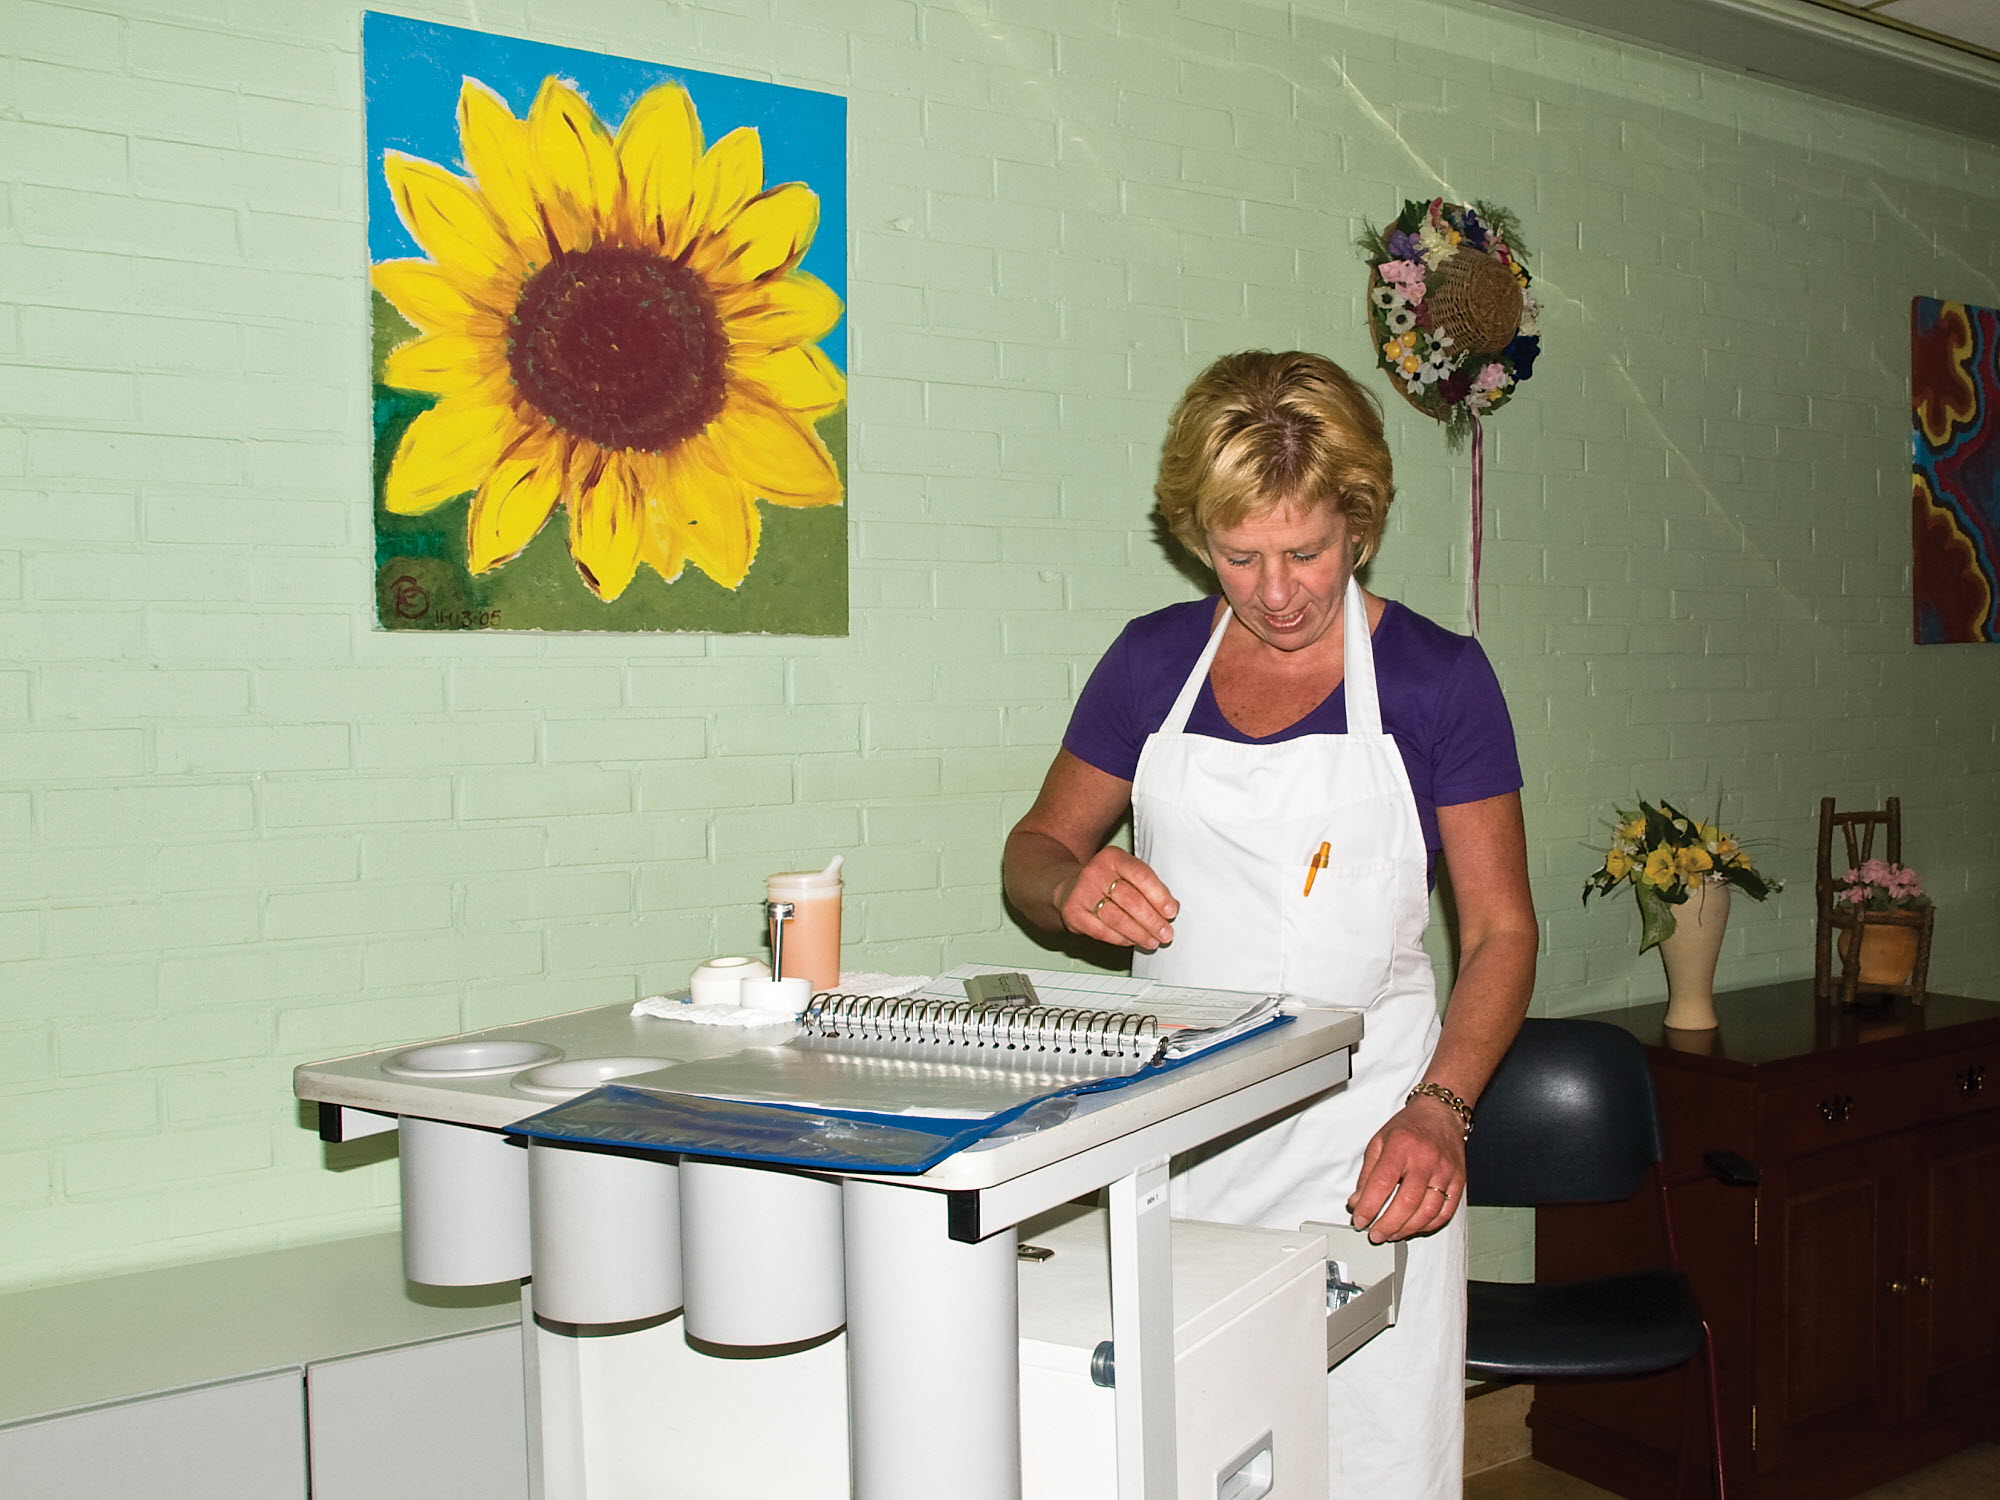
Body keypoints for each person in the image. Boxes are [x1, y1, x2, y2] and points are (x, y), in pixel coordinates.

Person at [1002, 350, 1536, 1496]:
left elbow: (1498, 934)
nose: (1278, 591)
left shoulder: (1438, 680)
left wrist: (1439, 1113)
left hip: (1372, 1151)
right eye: (1239, 557)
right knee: (1193, 1457)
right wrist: (1069, 886)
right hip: (1180, 1151)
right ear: (1199, 537)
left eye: (1306, 553)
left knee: (1369, 1460)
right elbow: (1031, 855)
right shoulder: (1152, 664)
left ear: (1361, 524)